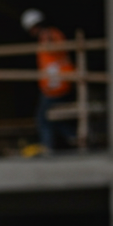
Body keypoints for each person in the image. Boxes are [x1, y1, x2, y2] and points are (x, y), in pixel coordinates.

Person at [22, 9, 77, 152]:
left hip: (56, 86)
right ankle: (74, 137)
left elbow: (56, 53)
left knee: (43, 118)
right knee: (55, 118)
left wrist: (48, 39)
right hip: (55, 84)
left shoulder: (51, 35)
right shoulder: (49, 35)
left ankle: (48, 147)